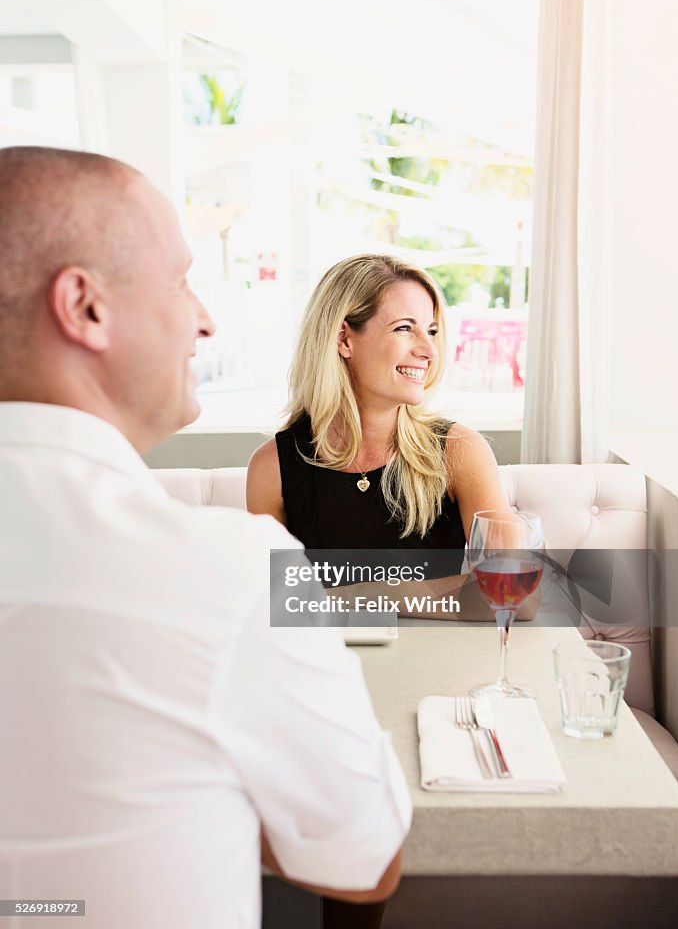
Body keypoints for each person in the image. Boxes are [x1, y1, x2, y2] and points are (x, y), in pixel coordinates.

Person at [0, 148, 410, 929]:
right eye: (180, 280)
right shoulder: (224, 574)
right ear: (86, 307)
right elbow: (364, 864)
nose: (205, 317)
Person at [248, 253, 520, 619]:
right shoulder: (273, 468)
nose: (428, 351)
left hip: (437, 669)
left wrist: (377, 593)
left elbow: (517, 594)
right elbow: (275, 606)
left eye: (432, 331)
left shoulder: (459, 450)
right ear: (344, 339)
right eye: (405, 328)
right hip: (325, 668)